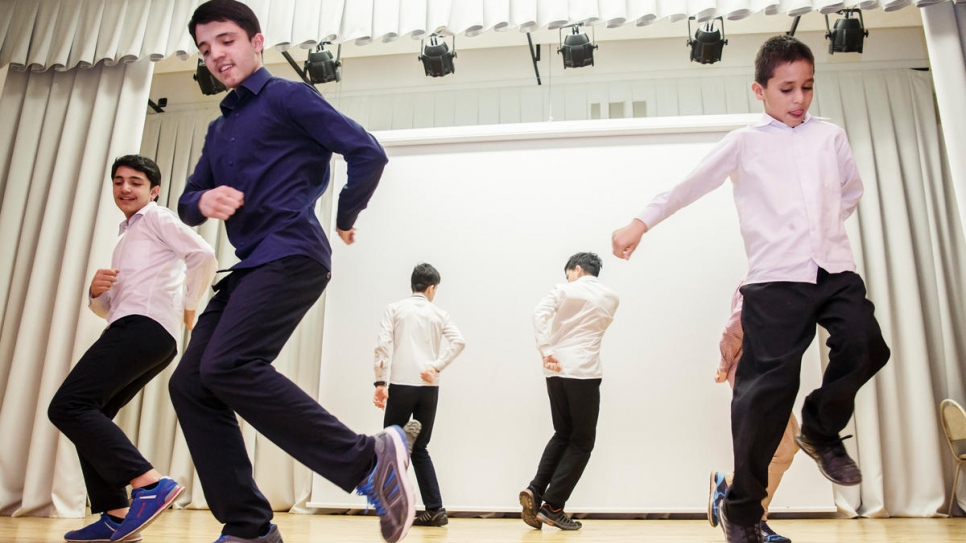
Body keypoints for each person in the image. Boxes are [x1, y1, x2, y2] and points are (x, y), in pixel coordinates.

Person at [612, 35, 890, 543]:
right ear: (759, 91)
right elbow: (690, 184)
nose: (800, 99)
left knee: (866, 343)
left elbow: (850, 191)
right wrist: (640, 222)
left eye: (807, 87)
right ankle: (741, 514)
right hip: (775, 278)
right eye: (787, 89)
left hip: (832, 268)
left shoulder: (830, 136)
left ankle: (821, 428)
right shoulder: (745, 142)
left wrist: (818, 227)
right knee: (764, 395)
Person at [168, 2, 418, 543]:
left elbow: (366, 152)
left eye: (227, 41)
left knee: (230, 364)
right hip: (250, 263)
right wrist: (203, 200)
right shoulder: (217, 129)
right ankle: (249, 528)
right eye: (205, 49)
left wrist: (346, 215)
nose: (216, 55)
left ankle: (367, 459)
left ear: (257, 43)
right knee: (191, 383)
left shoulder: (286, 96)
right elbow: (187, 199)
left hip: (291, 251)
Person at [48, 155, 217, 543]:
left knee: (67, 406)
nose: (125, 188)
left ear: (153, 191)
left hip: (144, 326)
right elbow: (110, 307)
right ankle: (116, 515)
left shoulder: (155, 218)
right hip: (144, 329)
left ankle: (149, 482)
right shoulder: (127, 237)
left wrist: (191, 304)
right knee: (93, 414)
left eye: (136, 182)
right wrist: (95, 293)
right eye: (119, 181)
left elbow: (203, 255)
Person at [519, 252, 619, 531]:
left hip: (555, 368)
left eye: (568, 274)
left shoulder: (563, 290)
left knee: (563, 434)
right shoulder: (611, 296)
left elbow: (539, 312)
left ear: (576, 269)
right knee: (582, 441)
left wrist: (546, 350)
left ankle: (535, 489)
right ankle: (553, 506)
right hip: (584, 370)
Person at [372, 263, 466, 528]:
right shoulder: (439, 313)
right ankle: (435, 509)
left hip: (401, 385)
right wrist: (436, 366)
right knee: (420, 448)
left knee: (391, 447)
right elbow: (459, 341)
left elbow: (383, 345)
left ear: (412, 284)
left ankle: (392, 508)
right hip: (429, 386)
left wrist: (381, 382)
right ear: (432, 287)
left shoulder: (395, 309)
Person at [708, 287, 798, 543]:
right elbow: (735, 326)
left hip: (769, 370)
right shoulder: (764, 279)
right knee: (780, 446)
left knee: (789, 441)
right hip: (754, 370)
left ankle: (730, 487)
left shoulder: (781, 277)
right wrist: (724, 365)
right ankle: (751, 518)